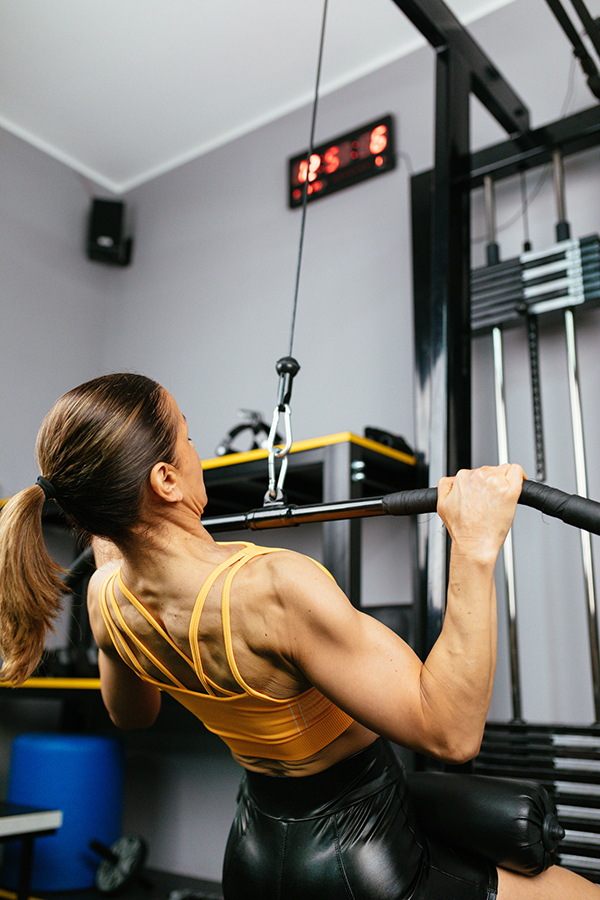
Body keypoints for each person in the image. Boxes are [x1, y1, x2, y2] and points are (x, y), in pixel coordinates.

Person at [0, 371, 598, 900]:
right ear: (165, 480)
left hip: (253, 853)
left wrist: (114, 549)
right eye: (186, 436)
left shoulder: (106, 601)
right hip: (362, 861)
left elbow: (133, 714)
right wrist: (474, 544)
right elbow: (451, 730)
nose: (196, 450)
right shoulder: (274, 588)